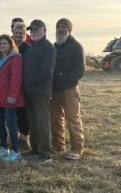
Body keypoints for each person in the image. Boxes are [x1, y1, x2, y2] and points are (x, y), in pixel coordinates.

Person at [50, 18, 85, 160]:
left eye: (63, 26)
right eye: (58, 26)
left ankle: (77, 148)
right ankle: (58, 146)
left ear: (69, 29)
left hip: (69, 89)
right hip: (54, 89)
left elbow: (80, 68)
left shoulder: (76, 46)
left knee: (72, 118)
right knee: (55, 119)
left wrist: (68, 80)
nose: (60, 29)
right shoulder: (54, 47)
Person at [22, 19, 56, 165]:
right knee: (33, 122)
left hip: (40, 91)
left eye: (36, 29)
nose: (33, 32)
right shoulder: (32, 46)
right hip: (29, 91)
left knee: (43, 123)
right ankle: (35, 150)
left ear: (44, 30)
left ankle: (45, 155)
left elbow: (46, 72)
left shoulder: (47, 47)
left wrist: (29, 82)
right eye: (31, 30)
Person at [0, 35, 25, 162]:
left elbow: (16, 78)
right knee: (0, 122)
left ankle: (15, 151)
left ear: (10, 45)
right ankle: (4, 148)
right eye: (0, 43)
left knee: (10, 123)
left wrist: (13, 95)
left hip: (8, 97)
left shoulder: (16, 58)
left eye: (5, 43)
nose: (2, 45)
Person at [12, 22, 31, 151]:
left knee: (24, 114)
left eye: (21, 33)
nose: (18, 35)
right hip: (12, 86)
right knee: (14, 114)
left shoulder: (28, 49)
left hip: (24, 85)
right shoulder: (9, 48)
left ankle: (25, 140)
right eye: (16, 33)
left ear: (24, 35)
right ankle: (17, 137)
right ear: (13, 33)